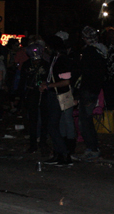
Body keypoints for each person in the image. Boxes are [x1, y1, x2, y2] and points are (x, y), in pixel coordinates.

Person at [40, 35, 76, 166]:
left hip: (58, 96)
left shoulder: (63, 60)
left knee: (53, 126)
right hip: (52, 95)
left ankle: (65, 154)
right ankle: (58, 154)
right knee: (54, 126)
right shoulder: (54, 59)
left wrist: (49, 86)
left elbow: (66, 81)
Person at [78, 26, 107, 159]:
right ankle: (92, 147)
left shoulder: (90, 52)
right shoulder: (101, 51)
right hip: (94, 89)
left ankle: (92, 148)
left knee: (85, 121)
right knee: (87, 121)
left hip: (88, 90)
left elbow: (87, 73)